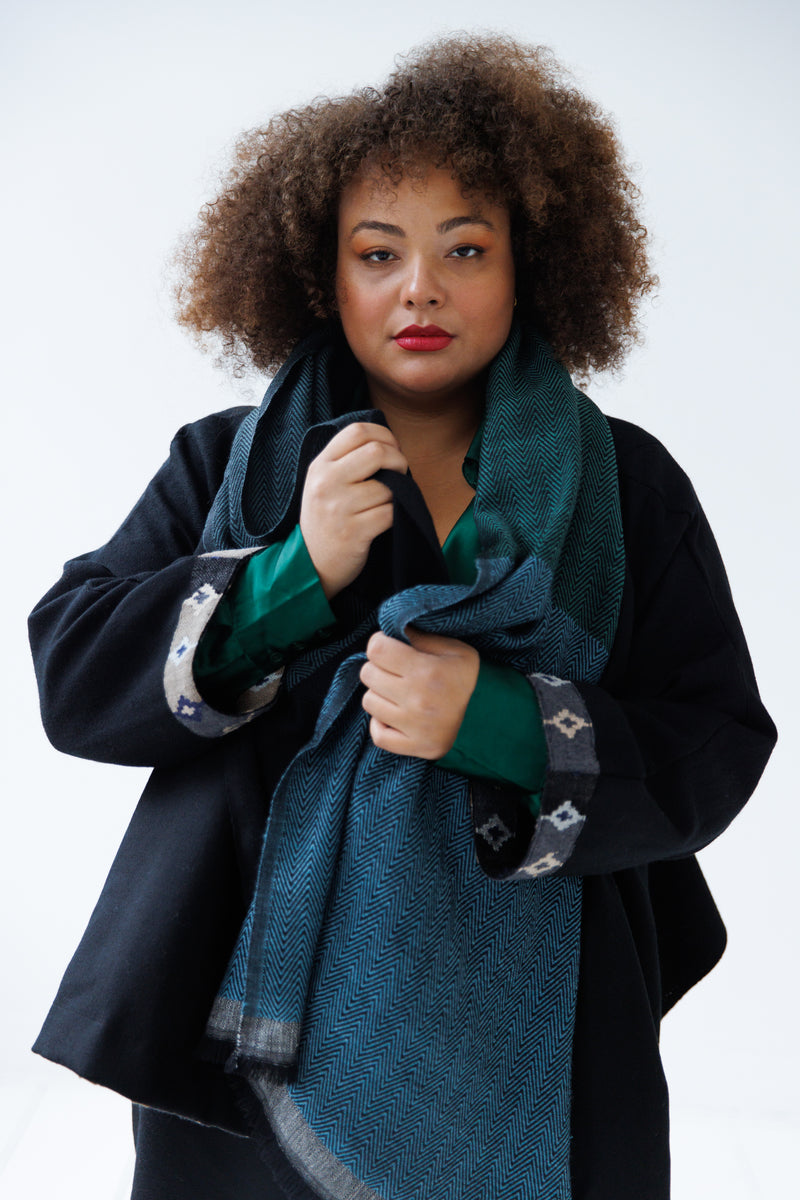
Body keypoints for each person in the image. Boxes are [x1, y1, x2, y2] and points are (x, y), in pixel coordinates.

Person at [28, 33, 776, 1200]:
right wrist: (288, 576)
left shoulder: (628, 488)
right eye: (376, 253)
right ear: (319, 276)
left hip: (550, 1053)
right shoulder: (226, 464)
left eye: (463, 249)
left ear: (529, 268)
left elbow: (716, 742)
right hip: (243, 1057)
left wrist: (501, 722)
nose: (417, 287)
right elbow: (74, 677)